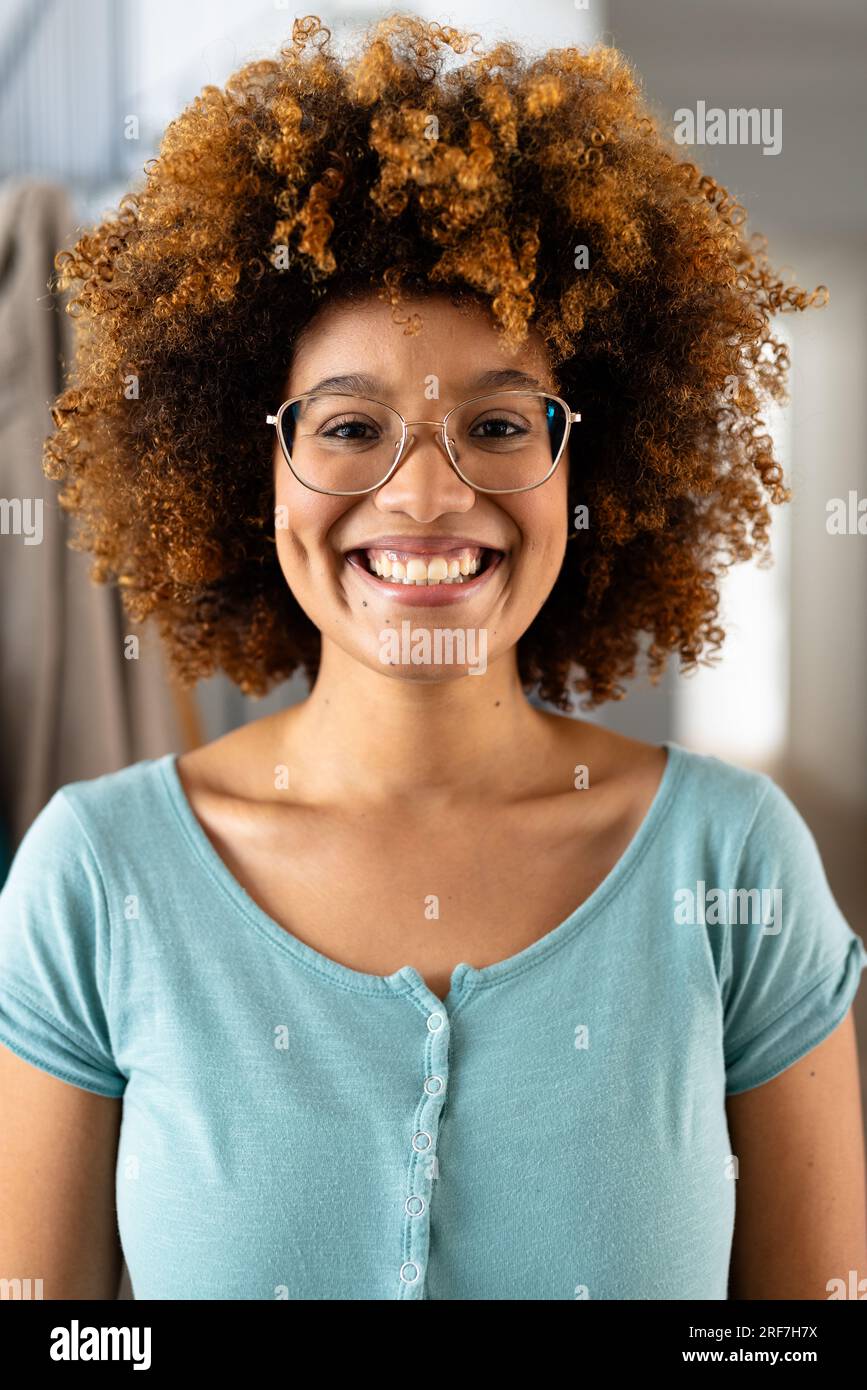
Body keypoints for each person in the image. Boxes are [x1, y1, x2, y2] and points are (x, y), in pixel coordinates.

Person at [1, 14, 864, 1301]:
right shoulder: (94, 878)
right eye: (350, 424)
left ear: (592, 466)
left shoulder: (736, 863)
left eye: (501, 422)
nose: (422, 495)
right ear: (255, 468)